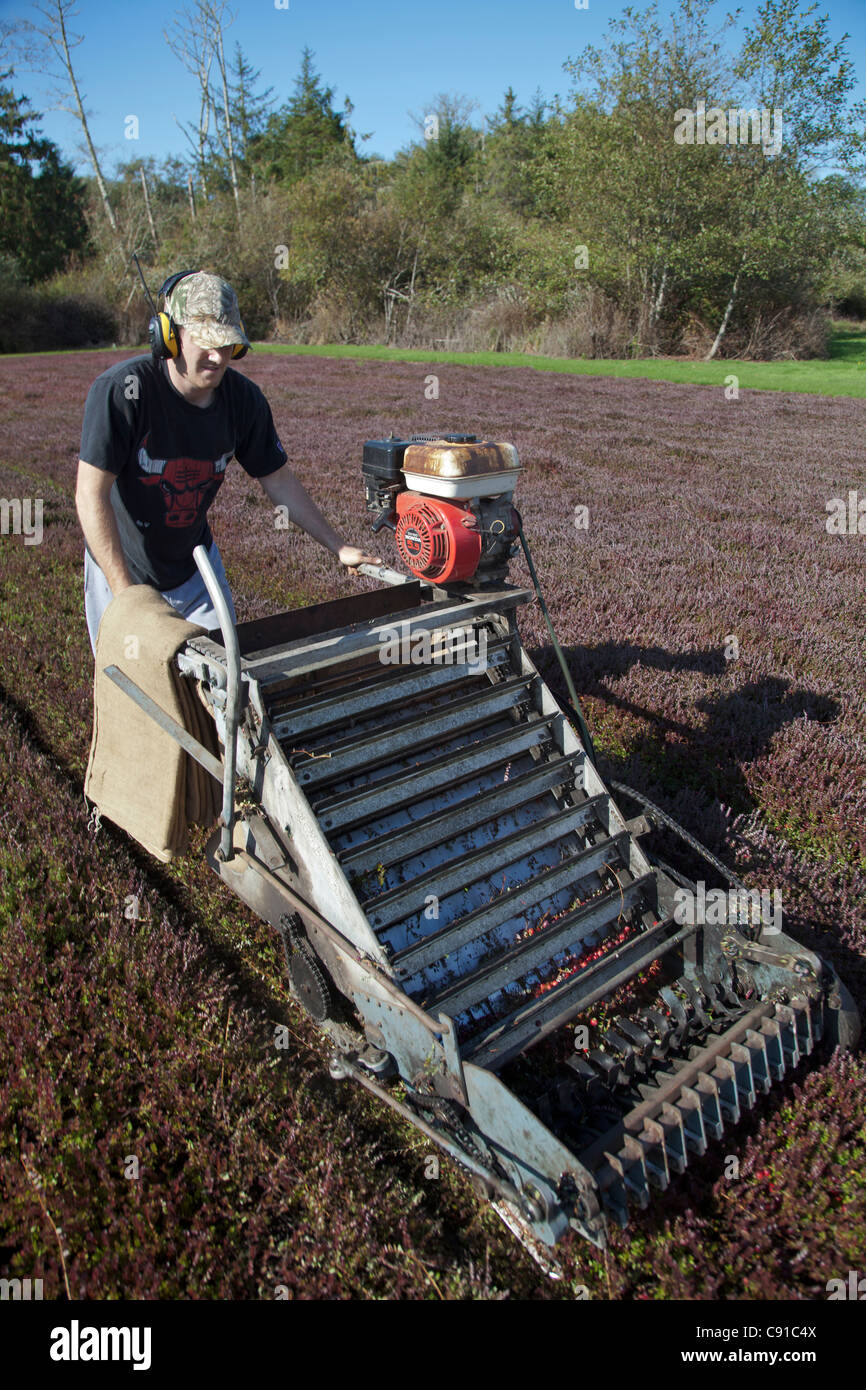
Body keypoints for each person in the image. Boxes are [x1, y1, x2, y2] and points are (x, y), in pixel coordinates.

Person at [75, 269, 381, 654]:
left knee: (225, 679)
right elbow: (90, 495)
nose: (218, 356)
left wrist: (338, 547)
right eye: (205, 343)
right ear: (169, 335)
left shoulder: (244, 401)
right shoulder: (122, 393)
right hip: (120, 569)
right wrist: (126, 597)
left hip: (194, 568)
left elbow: (280, 481)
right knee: (135, 687)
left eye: (228, 344)